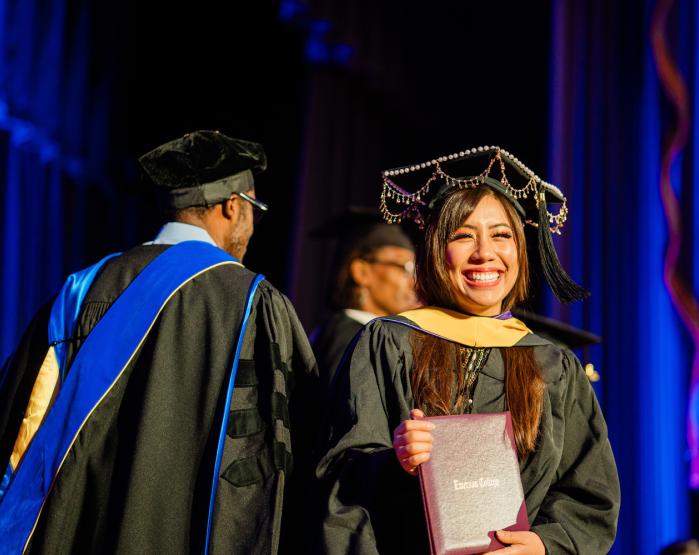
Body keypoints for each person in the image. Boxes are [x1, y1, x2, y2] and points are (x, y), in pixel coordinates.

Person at [0, 130, 318, 554]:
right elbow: (269, 462)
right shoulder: (250, 302)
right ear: (232, 205)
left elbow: (21, 421)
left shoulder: (81, 288)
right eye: (253, 210)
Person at [315, 145, 620, 554]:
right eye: (462, 235)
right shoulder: (388, 341)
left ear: (520, 249)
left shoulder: (552, 364)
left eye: (501, 235)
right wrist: (395, 461)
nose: (484, 253)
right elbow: (337, 484)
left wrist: (544, 546)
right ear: (436, 250)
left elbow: (590, 497)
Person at [310, 207, 418, 389]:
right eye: (404, 267)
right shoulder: (351, 338)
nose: (414, 283)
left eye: (415, 270)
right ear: (361, 272)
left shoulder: (368, 334)